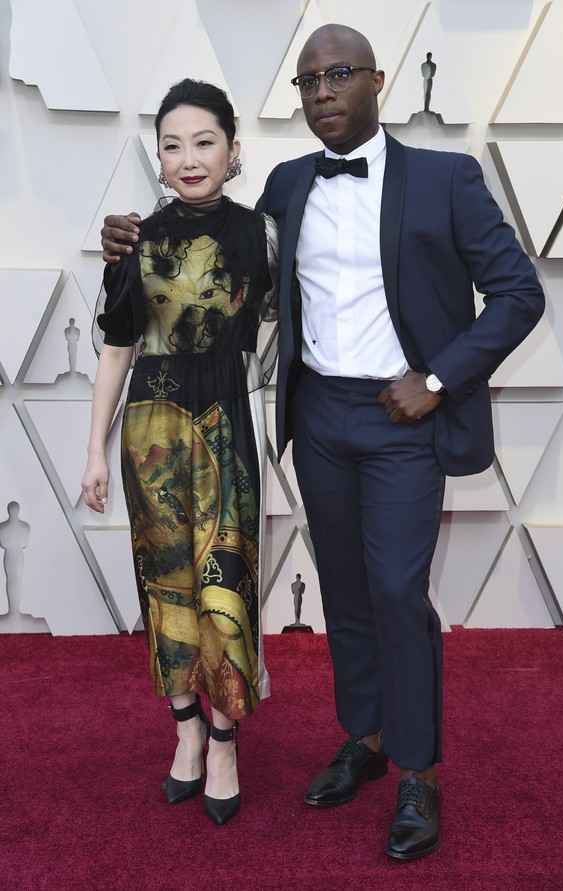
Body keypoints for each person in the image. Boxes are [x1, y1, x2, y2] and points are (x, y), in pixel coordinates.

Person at [100, 24, 545, 860]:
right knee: (342, 588)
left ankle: (418, 772)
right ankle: (365, 739)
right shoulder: (287, 184)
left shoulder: (447, 179)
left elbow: (519, 293)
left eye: (339, 76)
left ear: (377, 80)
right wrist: (130, 240)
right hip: (321, 420)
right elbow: (221, 251)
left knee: (396, 591)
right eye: (308, 83)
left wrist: (438, 379)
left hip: (403, 416)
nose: (323, 93)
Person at [83, 78, 277, 827]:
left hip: (227, 425)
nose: (188, 158)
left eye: (205, 141)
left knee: (226, 585)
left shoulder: (261, 236)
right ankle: (188, 731)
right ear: (158, 158)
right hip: (150, 433)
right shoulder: (133, 242)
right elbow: (115, 350)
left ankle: (226, 740)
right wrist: (94, 452)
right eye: (172, 145)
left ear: (232, 150)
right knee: (164, 588)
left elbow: (287, 334)